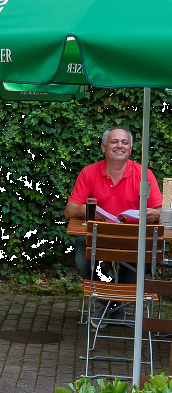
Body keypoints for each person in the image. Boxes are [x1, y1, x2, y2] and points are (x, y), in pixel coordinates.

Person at [65, 127, 161, 324]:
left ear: (131, 149)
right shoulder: (89, 172)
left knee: (144, 258)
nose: (120, 146)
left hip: (133, 238)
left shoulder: (144, 174)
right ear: (103, 147)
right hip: (99, 235)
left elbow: (159, 211)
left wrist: (156, 213)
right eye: (114, 142)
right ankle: (114, 301)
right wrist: (90, 210)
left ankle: (109, 301)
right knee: (82, 255)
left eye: (125, 143)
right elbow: (70, 209)